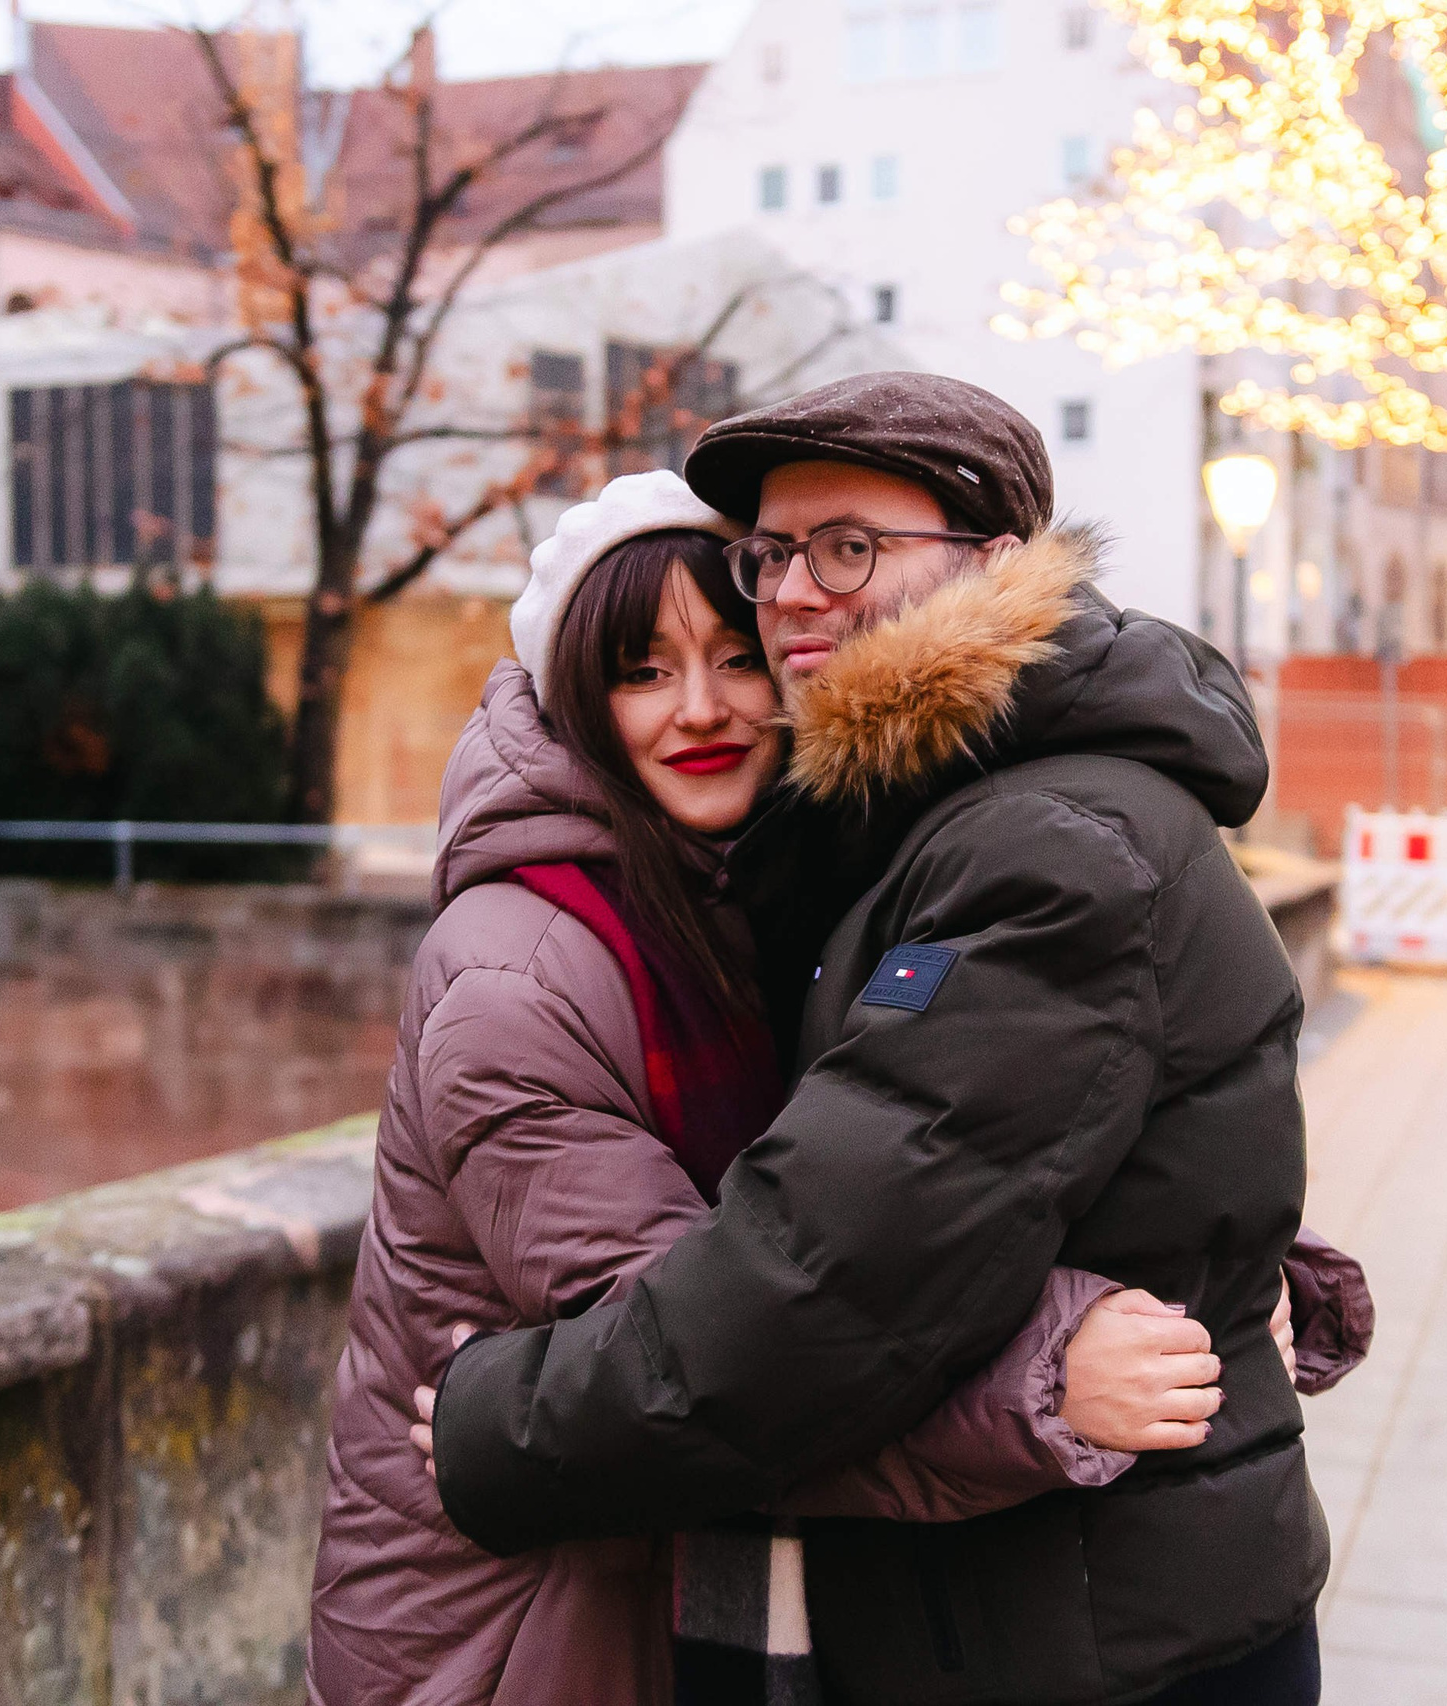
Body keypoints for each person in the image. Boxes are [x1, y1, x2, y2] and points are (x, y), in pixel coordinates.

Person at [426, 374, 1345, 1706]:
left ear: (1001, 565)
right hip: (1052, 1601)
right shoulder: (912, 821)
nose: (792, 591)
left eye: (849, 546)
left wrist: (495, 1425)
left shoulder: (1042, 847)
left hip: (1101, 1639)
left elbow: (825, 1293)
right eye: (771, 554)